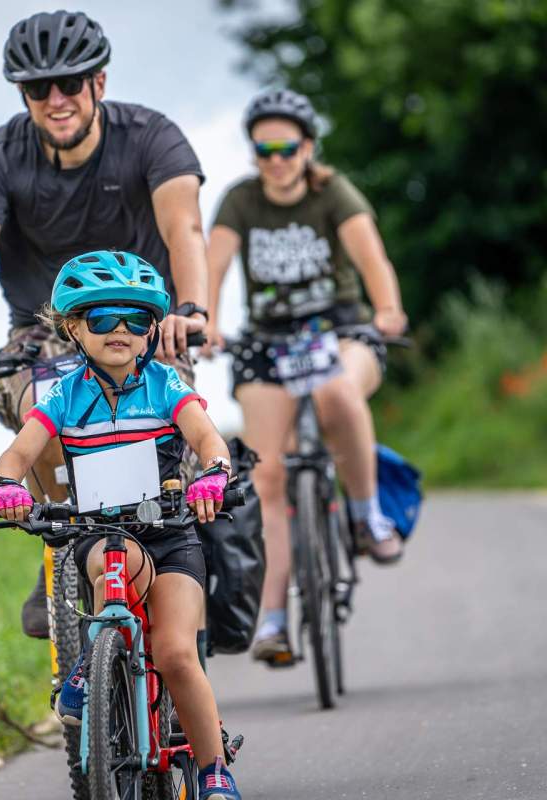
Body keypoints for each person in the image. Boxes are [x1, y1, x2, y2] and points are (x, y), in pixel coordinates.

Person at [0, 10, 210, 638]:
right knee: (50, 408)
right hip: (42, 331)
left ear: (99, 83)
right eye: (38, 89)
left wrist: (189, 311)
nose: (55, 100)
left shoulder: (151, 136)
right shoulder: (0, 155)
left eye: (70, 84)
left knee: (174, 439)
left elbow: (184, 227)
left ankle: (180, 579)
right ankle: (65, 549)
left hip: (146, 325)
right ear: (23, 95)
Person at [0, 251, 241, 800]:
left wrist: (215, 475)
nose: (120, 331)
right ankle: (92, 663)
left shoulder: (166, 385)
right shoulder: (64, 395)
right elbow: (17, 455)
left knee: (176, 653)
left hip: (171, 534)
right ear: (74, 328)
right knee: (115, 554)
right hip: (102, 535)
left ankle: (214, 770)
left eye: (135, 319)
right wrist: (8, 486)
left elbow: (207, 439)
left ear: (153, 328)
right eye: (103, 319)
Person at [204, 88, 408, 666]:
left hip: (339, 328)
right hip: (268, 341)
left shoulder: (332, 191)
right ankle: (272, 622)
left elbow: (373, 259)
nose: (275, 158)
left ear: (307, 147)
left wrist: (387, 308)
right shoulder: (241, 201)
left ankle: (368, 515)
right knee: (265, 479)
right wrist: (210, 323)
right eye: (263, 148)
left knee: (335, 387)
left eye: (286, 147)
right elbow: (214, 267)